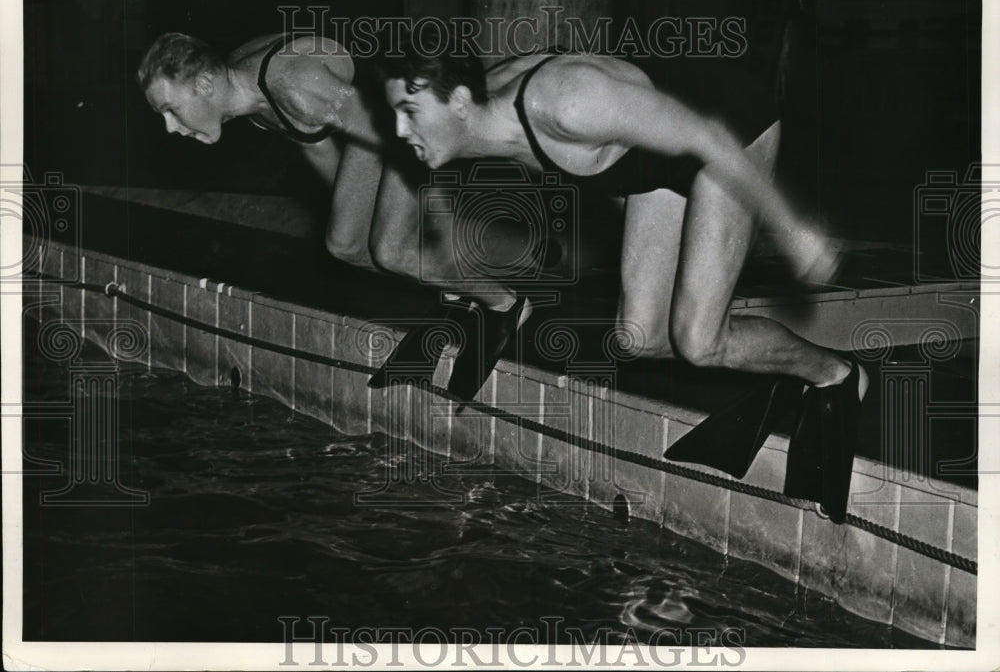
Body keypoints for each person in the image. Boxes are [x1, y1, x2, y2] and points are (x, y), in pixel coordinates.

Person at [379, 44, 869, 523]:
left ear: (460, 102)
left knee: (700, 341)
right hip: (658, 157)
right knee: (640, 337)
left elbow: (710, 138)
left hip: (725, 128)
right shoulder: (492, 116)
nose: (399, 130)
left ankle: (839, 375)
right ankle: (785, 366)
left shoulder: (566, 103)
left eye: (410, 113)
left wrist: (793, 232)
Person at [135, 31, 541, 398]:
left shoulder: (290, 85)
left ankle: (505, 302)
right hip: (370, 126)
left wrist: (429, 232)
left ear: (204, 84)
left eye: (171, 109)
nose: (171, 127)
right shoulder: (245, 91)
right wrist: (375, 224)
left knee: (391, 251)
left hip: (413, 123)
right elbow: (314, 141)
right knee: (345, 245)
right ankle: (457, 288)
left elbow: (405, 134)